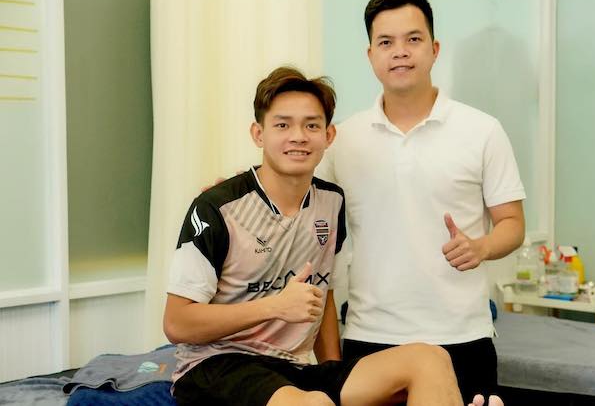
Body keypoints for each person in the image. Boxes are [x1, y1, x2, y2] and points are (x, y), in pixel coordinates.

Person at [164, 66, 502, 406]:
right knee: (315, 404)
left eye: (311, 125)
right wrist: (275, 307)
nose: (298, 136)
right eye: (282, 125)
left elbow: (323, 296)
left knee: (430, 359)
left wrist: (334, 375)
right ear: (258, 134)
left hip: (293, 367)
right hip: (218, 364)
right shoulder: (217, 207)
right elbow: (177, 323)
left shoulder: (330, 202)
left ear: (329, 136)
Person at [315, 0, 526, 403]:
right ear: (370, 55)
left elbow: (512, 223)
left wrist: (482, 246)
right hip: (371, 335)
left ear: (434, 48)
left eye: (413, 39)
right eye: (386, 42)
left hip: (463, 336)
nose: (400, 52)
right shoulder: (343, 140)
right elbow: (298, 202)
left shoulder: (482, 131)